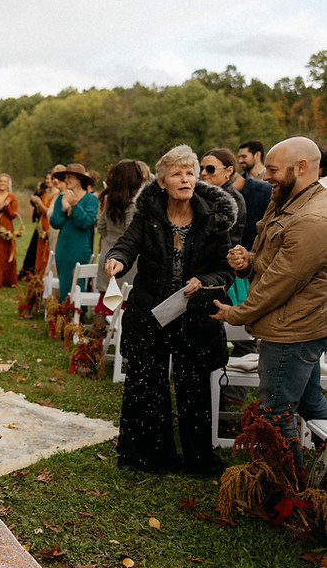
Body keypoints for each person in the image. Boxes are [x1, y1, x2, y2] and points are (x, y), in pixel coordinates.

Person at [105, 144, 235, 475]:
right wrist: (116, 260)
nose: (186, 179)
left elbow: (224, 269)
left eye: (190, 172)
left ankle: (197, 459)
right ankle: (142, 457)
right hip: (150, 313)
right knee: (144, 383)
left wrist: (202, 280)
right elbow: (127, 243)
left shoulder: (212, 218)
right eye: (177, 173)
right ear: (162, 182)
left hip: (193, 317)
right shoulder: (148, 215)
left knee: (193, 388)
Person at [212, 137, 327, 465]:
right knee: (310, 403)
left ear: (302, 167)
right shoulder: (288, 198)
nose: (265, 177)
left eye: (273, 170)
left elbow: (279, 283)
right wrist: (247, 261)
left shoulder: (314, 219)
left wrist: (235, 313)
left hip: (292, 331)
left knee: (275, 413)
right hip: (291, 324)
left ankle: (284, 492)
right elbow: (272, 260)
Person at [94, 159, 142, 312]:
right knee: (125, 302)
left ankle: (98, 334)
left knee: (105, 299)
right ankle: (114, 335)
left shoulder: (110, 200)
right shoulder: (134, 204)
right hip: (127, 259)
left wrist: (112, 238)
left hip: (108, 252)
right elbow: (131, 232)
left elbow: (101, 227)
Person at [49, 163, 98, 301]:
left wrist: (75, 206)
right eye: (66, 177)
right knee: (64, 283)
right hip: (63, 248)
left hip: (80, 248)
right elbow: (55, 222)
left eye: (69, 177)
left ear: (79, 179)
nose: (66, 180)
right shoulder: (61, 198)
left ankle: (78, 316)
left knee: (78, 284)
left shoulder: (91, 199)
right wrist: (64, 209)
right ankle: (64, 315)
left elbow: (86, 222)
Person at [199, 148, 246, 247]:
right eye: (200, 168)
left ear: (229, 171)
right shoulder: (203, 194)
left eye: (210, 169)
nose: (203, 173)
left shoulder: (232, 200)